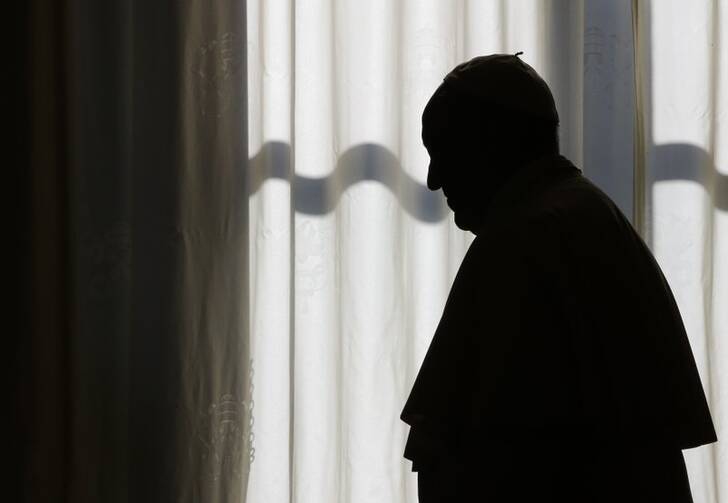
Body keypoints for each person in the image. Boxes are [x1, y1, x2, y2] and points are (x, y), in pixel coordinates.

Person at [400, 53, 718, 502]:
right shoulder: (587, 214)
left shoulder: (520, 241)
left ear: (489, 143)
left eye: (444, 152)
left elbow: (479, 453)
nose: (434, 180)